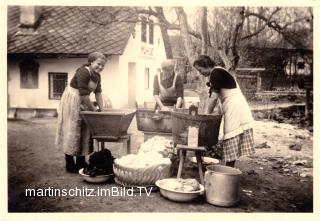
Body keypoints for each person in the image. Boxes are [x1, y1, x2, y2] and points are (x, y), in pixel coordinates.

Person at [193, 55, 255, 167]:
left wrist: (206, 115)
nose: (200, 73)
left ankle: (228, 170)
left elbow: (214, 98)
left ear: (206, 65)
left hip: (235, 106)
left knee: (231, 136)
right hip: (232, 105)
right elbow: (214, 96)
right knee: (230, 136)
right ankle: (229, 168)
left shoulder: (216, 73)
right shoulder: (217, 73)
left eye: (200, 70)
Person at [55, 52, 107, 173]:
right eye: (98, 64)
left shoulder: (97, 76)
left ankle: (81, 160)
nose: (100, 67)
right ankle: (69, 163)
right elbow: (83, 94)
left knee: (84, 129)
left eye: (103, 66)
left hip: (83, 101)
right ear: (91, 62)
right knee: (72, 130)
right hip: (72, 101)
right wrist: (94, 111)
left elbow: (98, 93)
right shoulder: (83, 72)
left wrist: (102, 109)